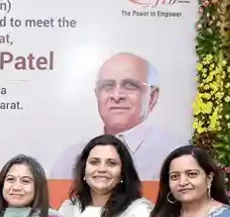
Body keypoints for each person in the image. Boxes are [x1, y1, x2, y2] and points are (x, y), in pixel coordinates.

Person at [50, 53, 189, 180]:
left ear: (152, 96)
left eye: (129, 86)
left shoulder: (177, 154)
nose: (116, 96)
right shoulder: (69, 161)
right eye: (107, 86)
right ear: (97, 95)